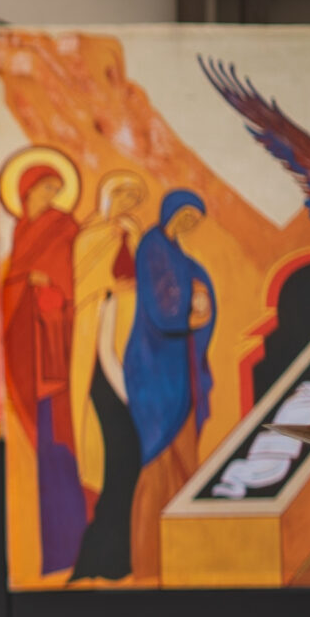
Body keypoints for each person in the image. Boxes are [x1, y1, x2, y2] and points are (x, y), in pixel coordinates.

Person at [122, 192, 215, 582]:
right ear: (170, 212)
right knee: (156, 466)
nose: (189, 224)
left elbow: (195, 286)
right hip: (153, 371)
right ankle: (147, 566)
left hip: (180, 370)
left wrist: (203, 297)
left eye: (195, 220)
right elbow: (162, 308)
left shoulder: (177, 255)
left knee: (185, 465)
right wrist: (191, 313)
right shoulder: (153, 247)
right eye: (186, 215)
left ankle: (184, 563)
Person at [0, 165, 83, 572]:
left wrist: (45, 283)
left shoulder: (63, 226)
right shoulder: (22, 230)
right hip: (27, 345)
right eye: (47, 187)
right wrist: (24, 281)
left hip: (54, 348)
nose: (52, 194)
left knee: (58, 441)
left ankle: (70, 543)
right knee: (43, 448)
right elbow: (13, 282)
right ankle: (55, 552)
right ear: (28, 188)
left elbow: (69, 280)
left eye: (57, 188)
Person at [69, 171, 147, 581]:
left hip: (123, 353)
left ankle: (114, 559)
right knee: (121, 457)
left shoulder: (129, 234)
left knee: (128, 462)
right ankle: (100, 558)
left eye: (132, 199)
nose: (126, 205)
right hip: (100, 360)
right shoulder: (92, 237)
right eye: (121, 196)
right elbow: (87, 292)